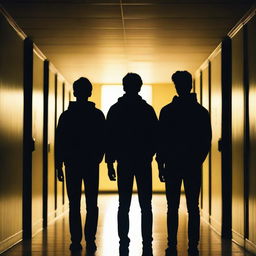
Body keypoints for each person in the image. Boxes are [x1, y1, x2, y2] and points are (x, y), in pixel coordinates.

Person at [157, 71, 212, 256]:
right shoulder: (200, 112)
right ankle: (193, 246)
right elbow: (206, 141)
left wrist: (160, 164)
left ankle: (172, 244)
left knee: (172, 207)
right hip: (191, 165)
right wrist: (196, 161)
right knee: (193, 207)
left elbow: (161, 141)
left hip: (172, 164)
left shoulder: (167, 111)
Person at [106, 73, 158, 256]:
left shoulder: (115, 110)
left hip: (124, 162)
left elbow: (109, 138)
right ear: (140, 87)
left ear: (124, 86)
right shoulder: (147, 110)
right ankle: (147, 241)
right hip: (143, 162)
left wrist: (110, 162)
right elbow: (155, 138)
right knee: (146, 205)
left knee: (123, 204)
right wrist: (153, 158)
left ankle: (123, 241)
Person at [55, 77, 105, 254]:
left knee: (74, 203)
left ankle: (75, 240)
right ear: (89, 92)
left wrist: (58, 164)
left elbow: (60, 141)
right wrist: (100, 157)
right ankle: (90, 239)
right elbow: (102, 139)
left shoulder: (66, 116)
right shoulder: (97, 115)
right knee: (92, 203)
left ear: (74, 92)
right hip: (91, 163)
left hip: (72, 164)